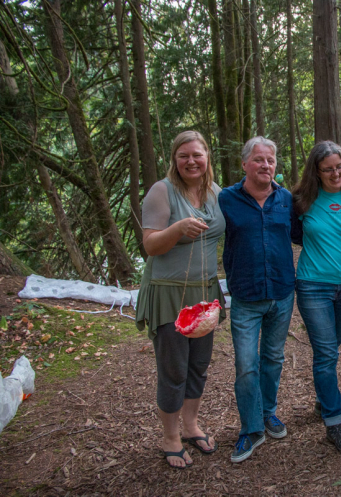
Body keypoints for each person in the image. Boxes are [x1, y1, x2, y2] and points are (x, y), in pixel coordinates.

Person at [136, 131, 226, 469]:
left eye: (197, 155)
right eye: (183, 155)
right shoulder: (163, 192)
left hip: (204, 293)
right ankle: (170, 437)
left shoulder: (215, 193)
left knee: (198, 365)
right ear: (174, 159)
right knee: (173, 369)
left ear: (207, 157)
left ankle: (190, 426)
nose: (191, 161)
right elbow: (150, 246)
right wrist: (177, 230)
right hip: (169, 293)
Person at [218, 137, 295, 464]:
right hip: (246, 296)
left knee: (273, 358)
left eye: (271, 160)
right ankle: (251, 429)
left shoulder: (287, 199)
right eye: (259, 160)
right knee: (246, 364)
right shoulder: (226, 199)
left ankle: (268, 412)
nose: (266, 165)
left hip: (281, 292)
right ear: (245, 164)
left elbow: (310, 232)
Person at [291, 141, 341, 454]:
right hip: (312, 285)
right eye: (328, 169)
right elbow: (293, 233)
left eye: (339, 167)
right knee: (325, 353)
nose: (335, 173)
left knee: (332, 348)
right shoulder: (302, 200)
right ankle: (334, 422)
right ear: (317, 172)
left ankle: (324, 401)